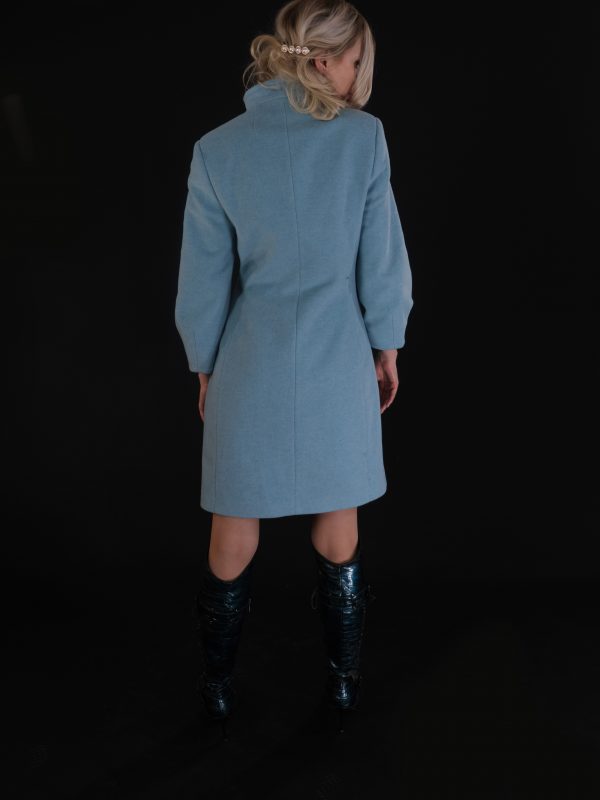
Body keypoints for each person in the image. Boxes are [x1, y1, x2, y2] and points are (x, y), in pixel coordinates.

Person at [174, 0, 413, 738]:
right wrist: (387, 344)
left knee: (233, 529)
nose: (357, 76)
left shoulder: (217, 148)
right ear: (323, 59)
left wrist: (204, 362)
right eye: (354, 61)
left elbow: (202, 280)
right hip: (338, 357)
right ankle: (342, 684)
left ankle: (217, 688)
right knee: (339, 528)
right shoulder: (364, 140)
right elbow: (382, 260)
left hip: (250, 360)